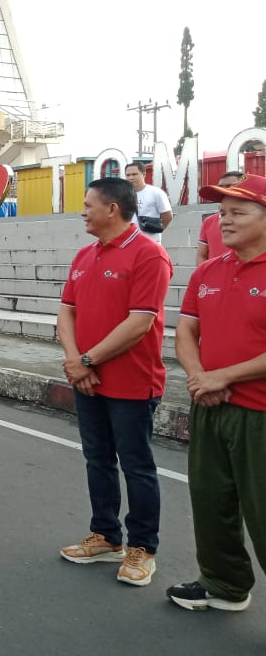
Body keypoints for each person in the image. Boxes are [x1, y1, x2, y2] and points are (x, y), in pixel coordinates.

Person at [54, 177, 172, 586]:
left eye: (89, 205)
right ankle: (106, 536)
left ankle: (143, 547)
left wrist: (87, 360)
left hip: (132, 383)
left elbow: (140, 323)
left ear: (113, 209)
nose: (83, 212)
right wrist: (75, 361)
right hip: (87, 379)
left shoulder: (148, 255)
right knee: (97, 459)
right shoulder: (85, 255)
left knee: (136, 465)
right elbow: (66, 312)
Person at [168, 173, 266, 612]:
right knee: (211, 502)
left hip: (259, 414)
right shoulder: (208, 271)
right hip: (210, 405)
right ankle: (223, 584)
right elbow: (186, 331)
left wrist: (221, 377)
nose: (224, 221)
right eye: (221, 213)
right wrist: (199, 377)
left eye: (238, 213)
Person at [196, 171, 244, 265]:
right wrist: (205, 275)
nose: (223, 191)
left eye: (230, 186)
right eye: (220, 187)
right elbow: (201, 255)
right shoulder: (209, 221)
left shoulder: (254, 220)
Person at [124, 162, 173, 244]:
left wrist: (156, 230)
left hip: (151, 242)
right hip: (129, 242)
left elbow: (167, 216)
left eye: (134, 174)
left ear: (143, 174)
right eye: (128, 175)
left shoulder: (156, 193)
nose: (131, 177)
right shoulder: (122, 195)